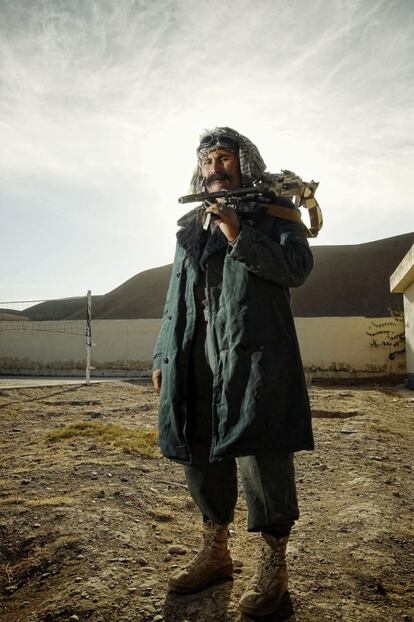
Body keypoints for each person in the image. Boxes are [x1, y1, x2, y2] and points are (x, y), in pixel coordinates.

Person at [152, 126, 314, 616]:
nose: (215, 169)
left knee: (262, 450)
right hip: (195, 349)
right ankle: (215, 550)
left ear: (244, 161)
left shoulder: (275, 211)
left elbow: (296, 267)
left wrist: (238, 233)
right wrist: (164, 354)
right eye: (208, 162)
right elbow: (175, 294)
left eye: (224, 158)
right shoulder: (190, 224)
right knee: (198, 443)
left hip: (253, 349)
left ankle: (273, 568)